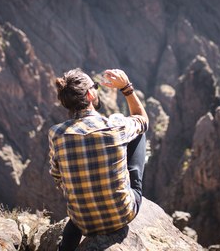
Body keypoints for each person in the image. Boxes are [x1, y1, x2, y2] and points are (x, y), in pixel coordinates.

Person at [48, 68, 148, 251]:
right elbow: (142, 120)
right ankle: (132, 187)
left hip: (83, 223)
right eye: (94, 86)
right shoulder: (115, 125)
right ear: (90, 94)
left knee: (77, 214)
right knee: (139, 134)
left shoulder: (57, 134)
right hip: (122, 215)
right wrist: (126, 87)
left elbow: (57, 177)